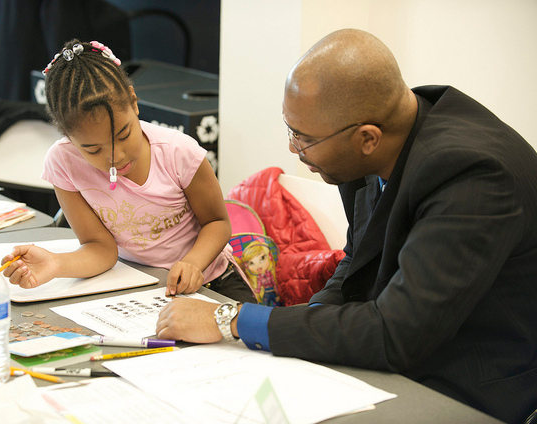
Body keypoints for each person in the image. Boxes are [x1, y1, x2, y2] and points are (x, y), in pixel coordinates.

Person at [155, 29, 537, 423]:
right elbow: (356, 264)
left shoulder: (471, 177)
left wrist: (232, 319)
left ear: (367, 138)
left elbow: (396, 334)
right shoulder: (378, 141)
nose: (292, 148)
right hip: (400, 351)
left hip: (469, 384)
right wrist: (308, 325)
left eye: (303, 138)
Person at [0, 39, 255, 304]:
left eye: (123, 135)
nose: (115, 157)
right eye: (92, 150)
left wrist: (192, 263)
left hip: (212, 281)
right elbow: (100, 249)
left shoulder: (178, 152)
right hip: (137, 286)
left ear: (134, 102)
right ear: (68, 137)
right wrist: (54, 264)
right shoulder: (63, 162)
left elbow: (217, 223)